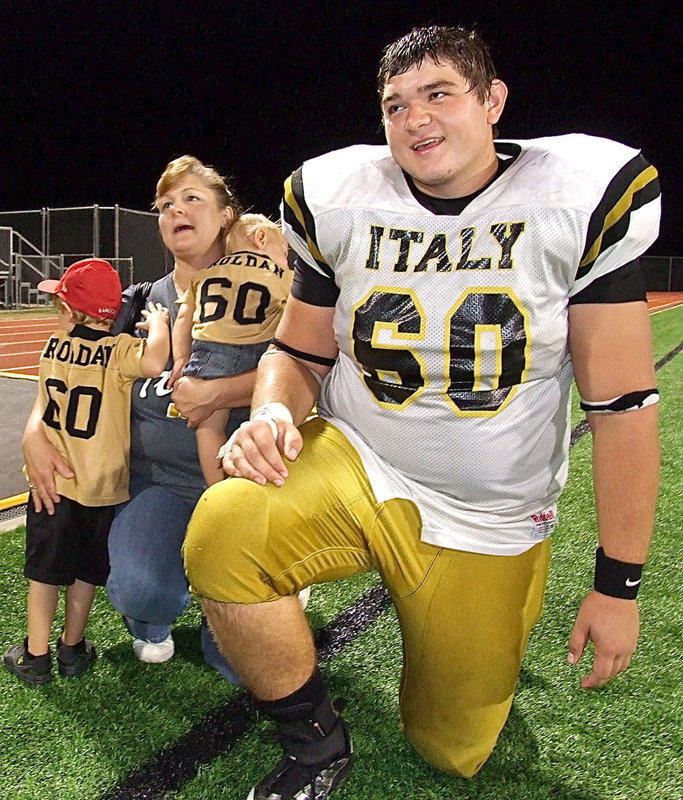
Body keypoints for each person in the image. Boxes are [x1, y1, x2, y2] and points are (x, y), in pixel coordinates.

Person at [183, 24, 662, 800]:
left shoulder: (570, 196)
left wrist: (618, 586)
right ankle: (313, 740)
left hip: (486, 513)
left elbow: (622, 408)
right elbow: (298, 354)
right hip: (356, 461)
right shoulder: (340, 196)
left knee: (451, 747)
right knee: (224, 528)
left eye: (439, 94)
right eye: (395, 104)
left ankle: (493, 621)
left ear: (492, 101)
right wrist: (271, 413)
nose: (415, 119)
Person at [22, 156, 253, 673]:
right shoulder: (133, 308)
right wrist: (34, 432)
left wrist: (220, 392)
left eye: (193, 198)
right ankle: (154, 616)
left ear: (227, 215)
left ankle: (259, 585)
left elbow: (307, 372)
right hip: (158, 483)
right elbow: (63, 377)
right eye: (166, 204)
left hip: (245, 485)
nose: (176, 211)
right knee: (139, 590)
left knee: (238, 663)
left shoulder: (265, 297)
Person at [5, 258, 170, 686]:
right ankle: (72, 647)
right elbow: (156, 364)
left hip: (53, 484)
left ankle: (35, 654)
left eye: (60, 303)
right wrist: (161, 326)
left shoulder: (52, 346)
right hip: (101, 487)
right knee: (85, 573)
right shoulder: (118, 352)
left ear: (74, 312)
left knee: (43, 573)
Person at [169, 213, 293, 485]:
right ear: (261, 237)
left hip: (210, 352)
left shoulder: (205, 274)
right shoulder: (284, 275)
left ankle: (217, 488)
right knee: (262, 416)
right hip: (258, 352)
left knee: (208, 427)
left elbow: (183, 317)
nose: (285, 258)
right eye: (283, 250)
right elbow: (292, 319)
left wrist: (181, 358)